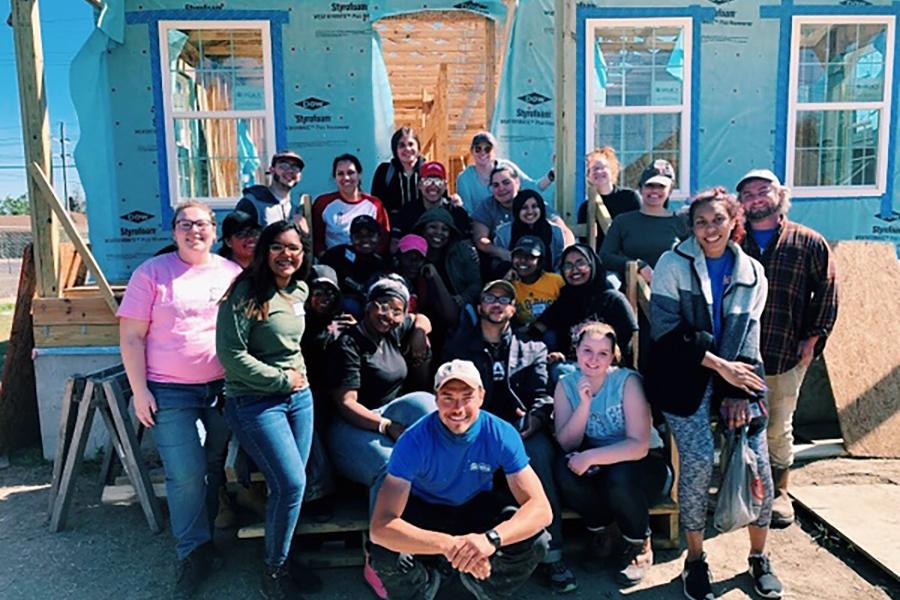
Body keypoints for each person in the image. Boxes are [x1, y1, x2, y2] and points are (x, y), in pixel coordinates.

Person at [646, 187, 783, 600]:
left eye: (718, 220)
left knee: (757, 464)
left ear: (733, 222)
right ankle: (695, 560)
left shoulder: (751, 271)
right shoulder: (673, 263)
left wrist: (735, 389)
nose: (710, 229)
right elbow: (665, 332)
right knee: (699, 461)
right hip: (683, 374)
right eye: (702, 222)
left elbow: (750, 335)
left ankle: (758, 556)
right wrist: (719, 367)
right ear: (692, 226)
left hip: (738, 375)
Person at [117, 201, 241, 598]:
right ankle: (192, 553)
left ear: (214, 230)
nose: (194, 231)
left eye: (201, 224)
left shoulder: (231, 273)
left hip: (223, 389)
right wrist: (140, 392)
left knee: (212, 466)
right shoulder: (152, 274)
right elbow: (132, 337)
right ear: (173, 232)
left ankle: (204, 541)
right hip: (169, 389)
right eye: (185, 224)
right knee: (185, 472)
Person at [368, 359, 552, 600]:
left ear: (481, 396)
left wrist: (491, 539)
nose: (458, 408)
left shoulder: (501, 433)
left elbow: (541, 509)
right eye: (448, 397)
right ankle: (424, 591)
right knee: (384, 553)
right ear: (435, 399)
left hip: (476, 505)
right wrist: (449, 545)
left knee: (537, 540)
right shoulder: (413, 441)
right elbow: (380, 527)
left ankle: (481, 589)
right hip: (426, 508)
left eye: (467, 397)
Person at [443, 280, 574, 593]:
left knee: (540, 453)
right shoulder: (459, 349)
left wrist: (537, 419)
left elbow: (542, 396)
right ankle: (462, 554)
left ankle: (552, 554)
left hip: (520, 430)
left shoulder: (533, 348)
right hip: (475, 429)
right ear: (479, 307)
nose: (497, 304)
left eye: (505, 299)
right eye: (490, 298)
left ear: (514, 310)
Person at [215, 220, 321, 599]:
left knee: (293, 485)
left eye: (294, 247)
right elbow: (231, 355)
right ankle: (273, 570)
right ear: (264, 251)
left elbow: (291, 345)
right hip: (254, 401)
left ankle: (286, 556)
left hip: (299, 399)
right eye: (277, 247)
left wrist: (298, 380)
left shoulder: (300, 289)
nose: (286, 255)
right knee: (290, 484)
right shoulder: (244, 293)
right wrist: (280, 381)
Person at [736, 169, 838, 528]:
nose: (756, 198)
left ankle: (779, 491)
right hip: (735, 357)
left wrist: (812, 339)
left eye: (763, 190)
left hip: (784, 352)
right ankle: (740, 487)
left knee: (777, 427)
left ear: (780, 194)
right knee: (735, 424)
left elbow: (827, 292)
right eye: (748, 194)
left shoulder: (808, 242)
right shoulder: (731, 241)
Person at [326, 275, 437, 596]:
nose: (388, 315)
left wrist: (418, 332)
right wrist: (387, 428)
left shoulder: (397, 328)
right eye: (381, 306)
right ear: (367, 305)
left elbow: (422, 317)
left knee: (429, 407)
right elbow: (346, 404)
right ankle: (380, 555)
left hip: (391, 410)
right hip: (351, 424)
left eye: (396, 310)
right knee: (390, 466)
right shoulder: (347, 342)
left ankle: (437, 522)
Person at [553, 322, 668, 587]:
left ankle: (638, 541)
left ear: (613, 355)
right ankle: (602, 532)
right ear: (576, 351)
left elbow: (638, 446)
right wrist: (583, 404)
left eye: (603, 353)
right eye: (587, 351)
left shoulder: (627, 381)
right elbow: (568, 444)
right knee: (564, 469)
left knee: (619, 474)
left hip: (643, 468)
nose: (594, 360)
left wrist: (591, 457)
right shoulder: (566, 384)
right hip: (601, 469)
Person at [533, 244, 638, 370]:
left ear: (592, 265)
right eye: (568, 265)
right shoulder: (565, 299)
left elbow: (626, 343)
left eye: (580, 263)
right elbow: (539, 327)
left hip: (609, 368)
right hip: (572, 367)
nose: (574, 270)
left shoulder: (613, 300)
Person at [472, 162, 574, 274]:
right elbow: (480, 239)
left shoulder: (533, 201)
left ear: (517, 182)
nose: (501, 188)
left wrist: (566, 256)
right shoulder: (492, 214)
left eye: (506, 183)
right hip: (510, 266)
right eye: (496, 185)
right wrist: (505, 253)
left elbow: (564, 231)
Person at [600, 159, 689, 283]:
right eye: (650, 185)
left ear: (670, 190)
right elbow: (605, 256)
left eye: (661, 186)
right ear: (641, 189)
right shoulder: (623, 221)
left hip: (672, 288)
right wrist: (638, 265)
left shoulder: (681, 222)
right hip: (632, 289)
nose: (655, 191)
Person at [312, 153, 390, 257]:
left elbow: (384, 239)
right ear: (334, 177)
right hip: (334, 264)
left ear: (359, 174)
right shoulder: (322, 203)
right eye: (340, 173)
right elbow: (317, 240)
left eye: (350, 172)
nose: (346, 177)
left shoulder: (375, 204)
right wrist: (326, 258)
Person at [455, 131, 553, 212]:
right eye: (478, 149)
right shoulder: (464, 178)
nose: (482, 153)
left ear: (495, 151)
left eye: (488, 149)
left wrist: (552, 175)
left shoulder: (507, 167)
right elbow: (467, 211)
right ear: (471, 151)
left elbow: (533, 188)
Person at [320, 214, 391, 318]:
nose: (365, 240)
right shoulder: (336, 255)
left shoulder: (382, 264)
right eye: (358, 236)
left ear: (379, 237)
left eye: (370, 235)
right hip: (337, 310)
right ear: (351, 238)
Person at [414, 208, 482, 309]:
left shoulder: (462, 252)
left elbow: (476, 284)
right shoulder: (413, 251)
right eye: (433, 227)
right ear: (422, 229)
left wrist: (463, 298)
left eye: (444, 229)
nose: (439, 232)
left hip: (456, 311)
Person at [576, 147, 641, 249]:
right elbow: (585, 243)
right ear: (589, 176)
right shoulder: (585, 208)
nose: (599, 172)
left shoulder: (630, 197)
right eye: (595, 169)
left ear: (612, 171)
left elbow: (639, 230)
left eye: (603, 167)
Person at [392, 160, 471, 240]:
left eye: (438, 182)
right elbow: (395, 244)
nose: (433, 186)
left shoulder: (457, 213)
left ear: (445, 186)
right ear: (419, 185)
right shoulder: (406, 212)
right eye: (428, 181)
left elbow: (466, 244)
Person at [237, 150, 309, 232]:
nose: (290, 171)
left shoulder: (295, 210)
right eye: (284, 166)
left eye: (295, 168)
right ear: (271, 170)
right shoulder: (251, 203)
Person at [494, 189, 565, 271]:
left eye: (534, 206)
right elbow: (497, 263)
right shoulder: (503, 233)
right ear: (517, 209)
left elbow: (559, 262)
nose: (530, 211)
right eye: (524, 207)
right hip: (514, 280)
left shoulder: (555, 231)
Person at [506, 236, 564, 331]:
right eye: (519, 256)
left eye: (529, 257)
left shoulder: (556, 281)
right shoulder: (510, 285)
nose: (523, 260)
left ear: (540, 262)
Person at [371, 127, 425, 222]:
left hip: (422, 228)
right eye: (402, 145)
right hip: (395, 230)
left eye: (411, 144)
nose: (407, 149)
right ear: (395, 149)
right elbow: (377, 204)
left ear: (418, 147)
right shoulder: (384, 172)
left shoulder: (428, 171)